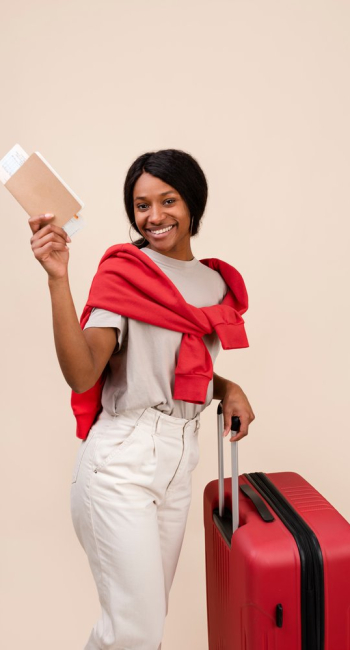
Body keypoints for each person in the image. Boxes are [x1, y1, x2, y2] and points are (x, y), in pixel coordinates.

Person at [28, 149, 255, 650]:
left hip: (179, 463)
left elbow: (181, 369)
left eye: (167, 201)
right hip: (121, 462)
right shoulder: (125, 273)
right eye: (141, 205)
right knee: (133, 631)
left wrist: (226, 387)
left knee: (144, 632)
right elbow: (84, 372)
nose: (154, 217)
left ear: (193, 203)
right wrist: (58, 279)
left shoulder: (215, 282)